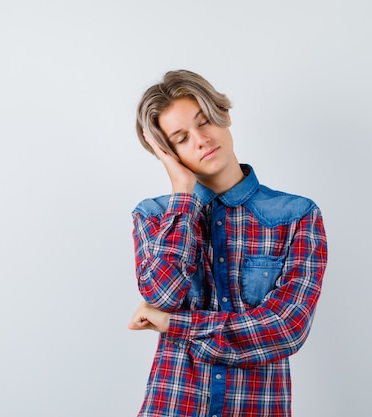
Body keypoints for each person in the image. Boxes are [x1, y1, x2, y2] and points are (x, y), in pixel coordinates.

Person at [127, 69, 328, 417]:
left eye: (204, 121)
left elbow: (286, 327)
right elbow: (161, 296)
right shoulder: (154, 216)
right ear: (167, 153)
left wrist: (176, 324)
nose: (201, 139)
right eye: (181, 138)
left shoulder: (297, 214)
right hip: (173, 406)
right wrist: (182, 193)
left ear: (225, 115)